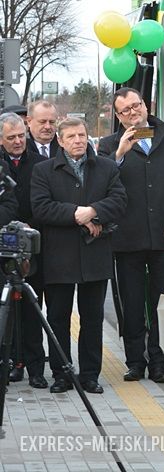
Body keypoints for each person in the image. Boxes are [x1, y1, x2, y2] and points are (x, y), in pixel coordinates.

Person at [98, 87, 164, 383]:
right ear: (117, 116)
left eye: (135, 106)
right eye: (124, 111)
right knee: (133, 304)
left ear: (146, 105)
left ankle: (160, 363)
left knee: (161, 302)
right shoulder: (108, 146)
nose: (132, 113)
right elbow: (100, 187)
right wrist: (120, 155)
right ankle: (135, 361)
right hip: (128, 239)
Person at [30, 118, 127, 394]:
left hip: (95, 256)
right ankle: (62, 373)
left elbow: (119, 201)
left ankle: (90, 375)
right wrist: (77, 214)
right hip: (58, 256)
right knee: (58, 317)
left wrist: (94, 210)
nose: (77, 141)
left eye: (82, 135)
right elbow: (41, 207)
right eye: (71, 136)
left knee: (92, 318)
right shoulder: (43, 170)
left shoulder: (106, 167)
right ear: (60, 141)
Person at [0, 112, 46, 388]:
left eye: (21, 136)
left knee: (32, 308)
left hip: (32, 247)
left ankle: (36, 367)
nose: (18, 141)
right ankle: (12, 363)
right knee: (8, 312)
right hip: (3, 247)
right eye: (11, 138)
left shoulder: (40, 164)